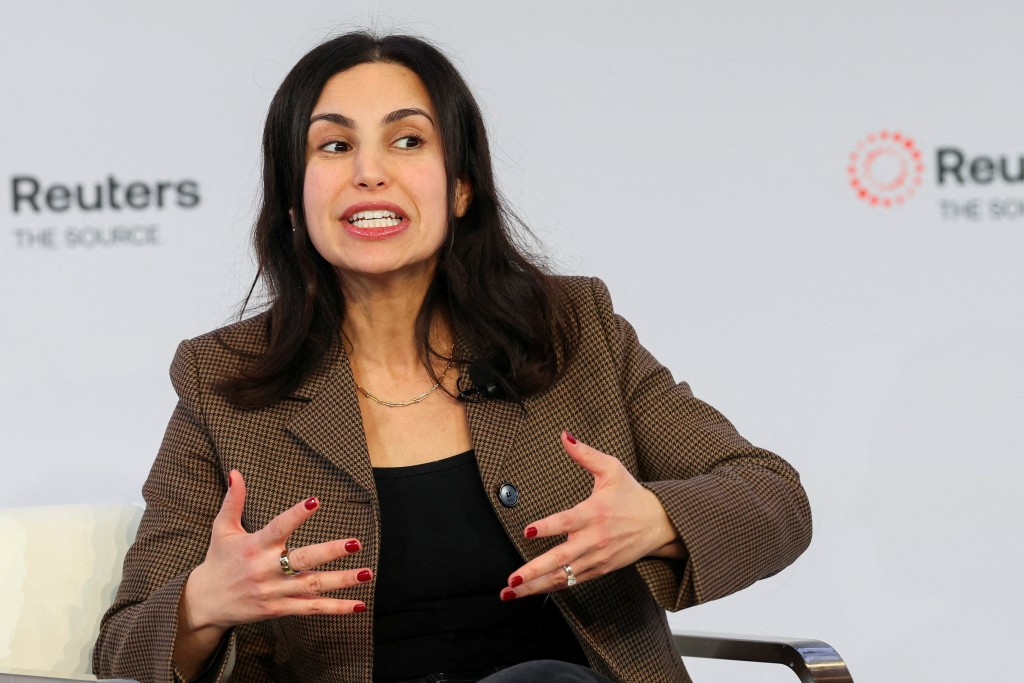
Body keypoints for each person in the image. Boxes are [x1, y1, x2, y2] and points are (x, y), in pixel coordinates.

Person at [93, 31, 812, 683]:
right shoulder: (222, 383)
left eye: (407, 141)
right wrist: (203, 603)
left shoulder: (573, 331)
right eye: (334, 147)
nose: (370, 173)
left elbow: (774, 495)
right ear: (291, 200)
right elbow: (124, 644)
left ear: (462, 184)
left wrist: (655, 517)